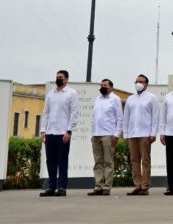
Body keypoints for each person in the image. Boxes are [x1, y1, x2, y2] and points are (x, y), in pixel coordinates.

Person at [39, 69, 80, 197]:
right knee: (50, 161)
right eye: (57, 77)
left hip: (63, 133)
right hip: (50, 132)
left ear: (67, 79)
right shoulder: (51, 94)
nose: (58, 79)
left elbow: (74, 113)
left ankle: (61, 187)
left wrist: (69, 131)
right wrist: (43, 131)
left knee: (62, 161)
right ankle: (51, 187)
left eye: (61, 77)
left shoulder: (72, 93)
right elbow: (45, 113)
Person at [123, 74, 160, 195]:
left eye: (142, 82)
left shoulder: (151, 98)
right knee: (134, 160)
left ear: (146, 84)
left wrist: (153, 133)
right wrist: (125, 134)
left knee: (145, 160)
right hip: (132, 134)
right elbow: (126, 118)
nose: (139, 83)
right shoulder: (130, 99)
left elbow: (155, 116)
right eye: (137, 81)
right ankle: (137, 185)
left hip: (145, 133)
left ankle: (145, 186)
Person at [88, 78, 122, 196]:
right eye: (101, 85)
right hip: (96, 134)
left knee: (108, 162)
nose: (103, 87)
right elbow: (94, 118)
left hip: (108, 134)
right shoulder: (98, 99)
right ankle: (98, 186)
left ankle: (107, 187)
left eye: (105, 85)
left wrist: (117, 135)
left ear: (111, 87)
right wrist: (92, 134)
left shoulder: (115, 99)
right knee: (98, 162)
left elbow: (119, 118)